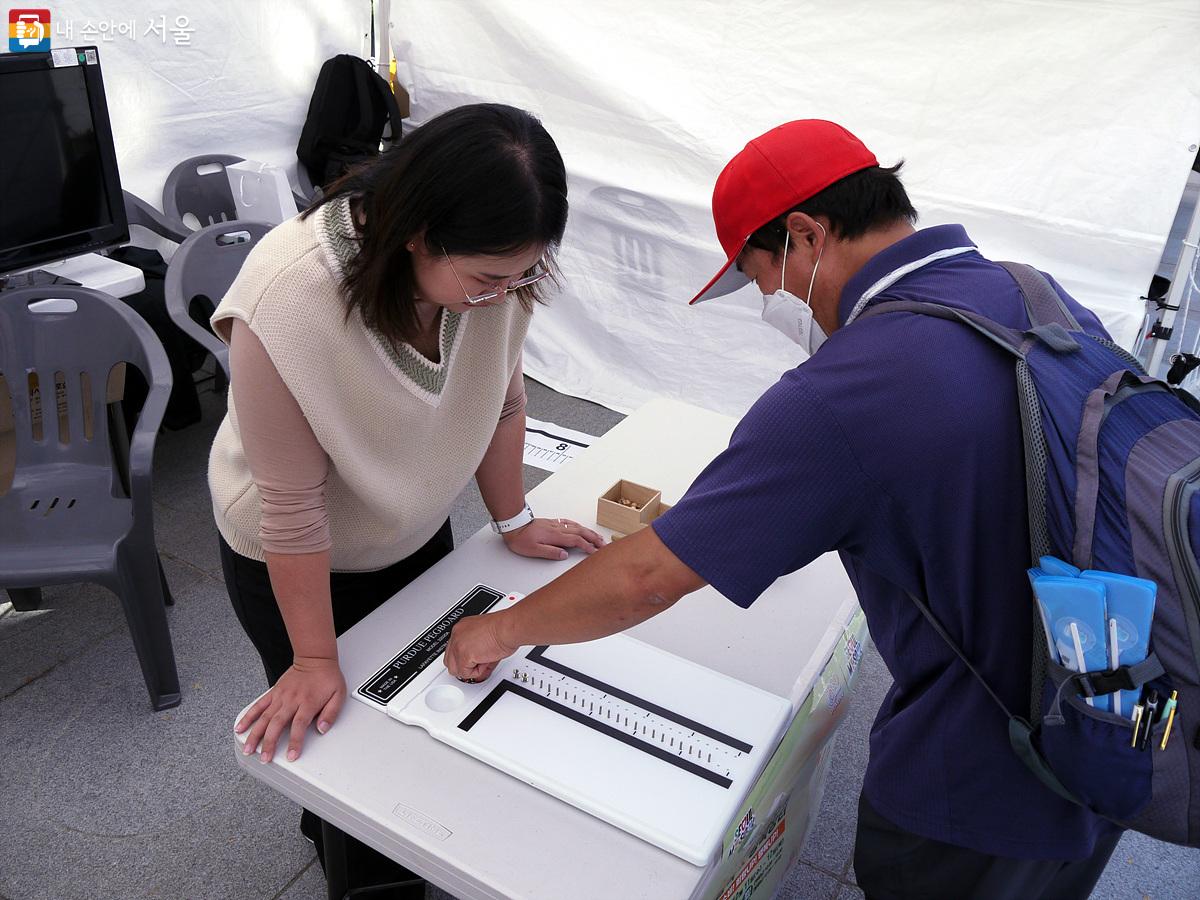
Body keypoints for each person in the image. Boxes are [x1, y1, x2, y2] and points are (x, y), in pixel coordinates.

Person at [445, 119, 1124, 899]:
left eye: (761, 276)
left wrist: (494, 630)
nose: (768, 299)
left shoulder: (843, 391)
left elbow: (647, 578)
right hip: (1116, 702)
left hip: (985, 774)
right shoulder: (1030, 288)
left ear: (806, 235)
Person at [208, 103, 604, 898]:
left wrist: (513, 518)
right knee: (339, 742)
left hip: (409, 525)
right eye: (490, 278)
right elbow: (292, 509)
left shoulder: (498, 274)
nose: (509, 293)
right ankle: (352, 860)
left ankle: (381, 847)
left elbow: (501, 398)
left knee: (416, 721)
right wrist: (314, 657)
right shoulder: (288, 298)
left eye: (523, 273)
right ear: (418, 232)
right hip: (295, 554)